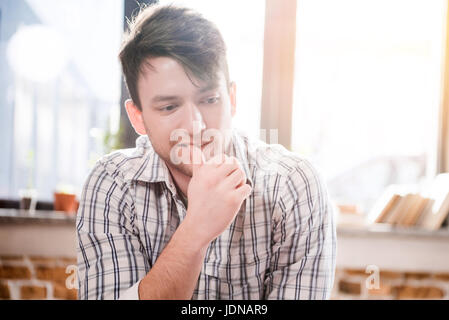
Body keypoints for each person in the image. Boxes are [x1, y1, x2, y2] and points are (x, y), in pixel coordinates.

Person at [76, 3, 336, 300]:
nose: (196, 125)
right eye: (169, 106)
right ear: (138, 118)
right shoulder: (112, 185)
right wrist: (197, 228)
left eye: (210, 99)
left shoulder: (293, 185)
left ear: (232, 98)